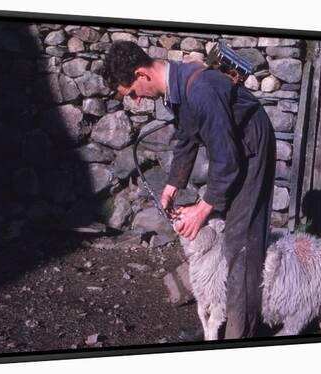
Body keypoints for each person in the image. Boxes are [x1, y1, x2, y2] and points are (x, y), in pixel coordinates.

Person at [102, 41, 276, 339]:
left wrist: (203, 208)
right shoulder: (177, 87)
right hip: (234, 147)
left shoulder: (201, 90)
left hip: (251, 146)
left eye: (131, 93)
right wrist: (173, 184)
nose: (138, 101)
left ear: (141, 74)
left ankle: (240, 335)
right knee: (223, 237)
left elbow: (227, 160)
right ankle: (218, 321)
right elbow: (187, 137)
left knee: (241, 243)